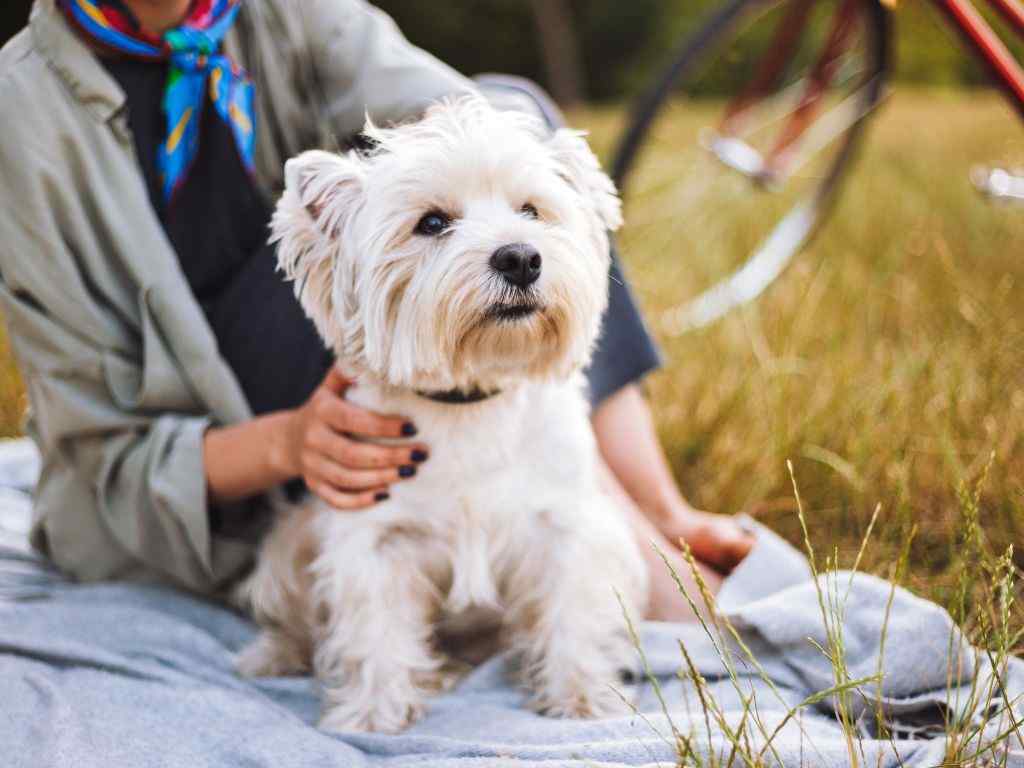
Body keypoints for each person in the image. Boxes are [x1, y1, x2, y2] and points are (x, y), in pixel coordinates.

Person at [0, 0, 751, 622]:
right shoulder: (19, 114)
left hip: (344, 360)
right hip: (210, 457)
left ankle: (652, 511)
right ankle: (626, 549)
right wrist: (289, 443)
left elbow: (460, 113)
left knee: (517, 122)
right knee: (339, 260)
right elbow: (99, 450)